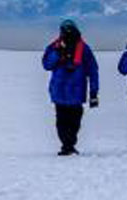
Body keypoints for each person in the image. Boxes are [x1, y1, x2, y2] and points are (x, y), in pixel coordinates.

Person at [42, 19, 100, 156]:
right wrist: (58, 53)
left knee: (74, 122)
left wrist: (94, 92)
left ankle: (69, 145)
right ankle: (67, 146)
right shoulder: (54, 47)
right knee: (61, 122)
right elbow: (47, 65)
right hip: (60, 92)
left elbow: (93, 70)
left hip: (76, 93)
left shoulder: (84, 49)